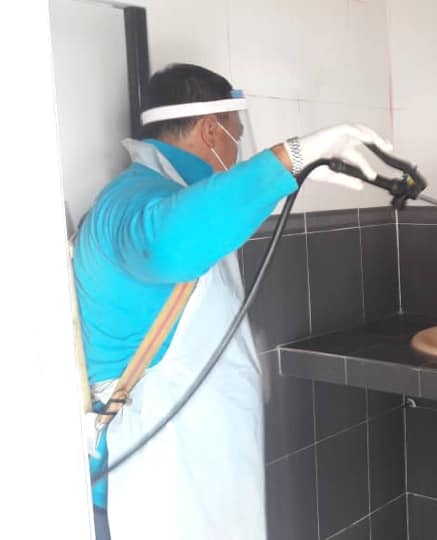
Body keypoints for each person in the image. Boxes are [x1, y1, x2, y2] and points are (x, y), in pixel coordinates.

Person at [73, 63, 392, 540]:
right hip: (150, 482)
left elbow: (205, 227)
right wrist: (295, 157)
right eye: (235, 136)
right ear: (210, 130)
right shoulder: (129, 200)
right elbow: (167, 244)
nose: (237, 149)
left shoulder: (182, 195)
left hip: (193, 471)